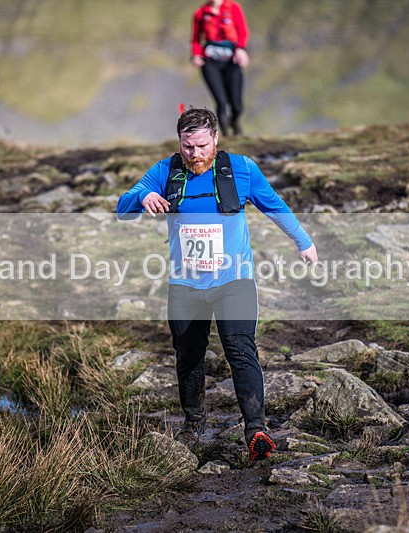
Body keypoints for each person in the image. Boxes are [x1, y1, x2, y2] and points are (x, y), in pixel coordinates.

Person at [117, 108, 317, 461]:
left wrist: (303, 242)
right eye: (187, 146)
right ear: (179, 142)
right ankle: (194, 424)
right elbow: (122, 209)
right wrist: (142, 197)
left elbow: (274, 205)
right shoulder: (164, 171)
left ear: (216, 139)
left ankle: (256, 429)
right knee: (188, 355)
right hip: (185, 284)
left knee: (240, 349)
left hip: (233, 279)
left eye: (202, 146)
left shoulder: (241, 169)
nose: (195, 154)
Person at [191, 0, 250, 137]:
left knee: (237, 105)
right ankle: (227, 136)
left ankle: (234, 121)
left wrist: (241, 49)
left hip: (231, 61)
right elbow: (196, 39)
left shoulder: (233, 8)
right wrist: (196, 54)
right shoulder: (200, 13)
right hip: (210, 63)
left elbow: (242, 31)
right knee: (221, 102)